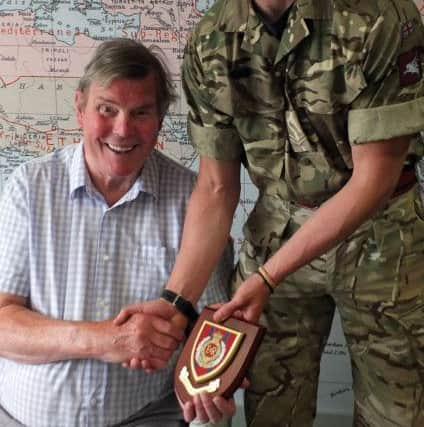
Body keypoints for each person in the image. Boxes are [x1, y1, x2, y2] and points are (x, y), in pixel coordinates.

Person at [117, 0, 424, 426]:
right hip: (276, 235)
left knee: (397, 413)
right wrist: (176, 301)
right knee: (272, 411)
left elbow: (374, 180)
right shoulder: (212, 40)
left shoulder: (377, 17)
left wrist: (267, 276)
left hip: (383, 242)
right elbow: (216, 187)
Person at [0, 38, 235, 427]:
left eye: (141, 112)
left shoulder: (196, 202)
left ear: (160, 119)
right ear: (79, 108)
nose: (122, 130)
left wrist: (207, 383)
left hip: (146, 416)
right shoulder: (29, 186)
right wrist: (107, 340)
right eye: (106, 109)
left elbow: (212, 327)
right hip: (19, 418)